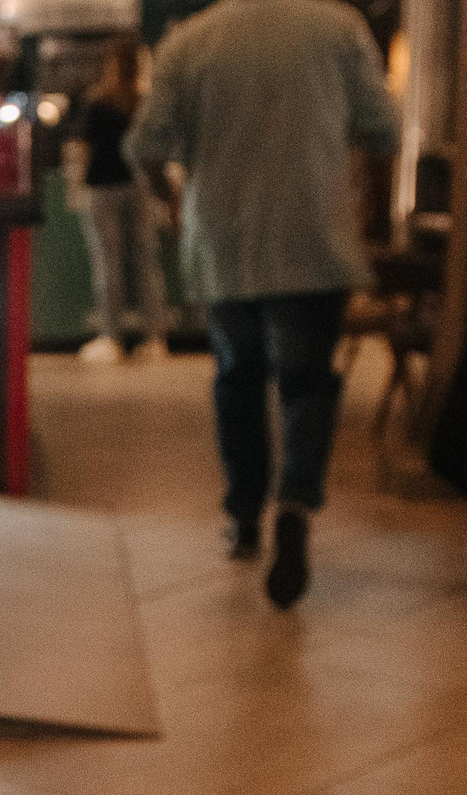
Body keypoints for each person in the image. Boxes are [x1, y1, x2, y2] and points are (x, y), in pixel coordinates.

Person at [127, 0, 402, 606]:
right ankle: (297, 502)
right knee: (306, 382)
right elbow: (384, 130)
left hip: (224, 243)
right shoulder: (339, 28)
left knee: (238, 377)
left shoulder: (189, 41)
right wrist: (365, 204)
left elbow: (145, 146)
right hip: (315, 239)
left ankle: (245, 514)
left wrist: (174, 205)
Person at [65, 40, 170, 364]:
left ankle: (111, 338)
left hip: (102, 187)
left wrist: (77, 185)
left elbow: (83, 148)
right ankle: (155, 339)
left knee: (107, 264)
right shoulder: (143, 102)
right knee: (146, 263)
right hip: (136, 186)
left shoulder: (97, 102)